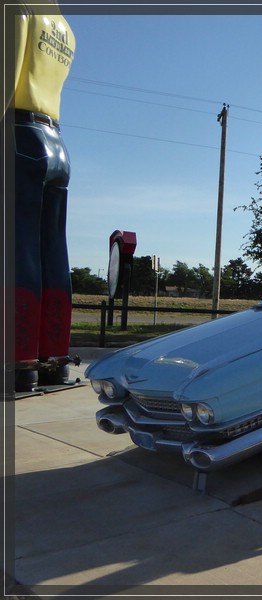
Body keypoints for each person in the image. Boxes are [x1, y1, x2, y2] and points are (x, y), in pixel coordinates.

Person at [8, 2, 76, 390]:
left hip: (19, 132)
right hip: (57, 141)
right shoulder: (65, 29)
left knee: (19, 248)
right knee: (53, 249)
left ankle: (17, 361)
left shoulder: (19, 10)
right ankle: (54, 360)